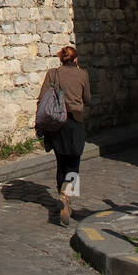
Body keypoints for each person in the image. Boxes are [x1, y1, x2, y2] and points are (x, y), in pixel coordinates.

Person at [37, 44, 91, 225]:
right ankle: (68, 197)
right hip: (75, 123)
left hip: (57, 124)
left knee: (61, 162)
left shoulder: (53, 74)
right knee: (74, 161)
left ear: (61, 59)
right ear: (75, 60)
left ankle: (63, 199)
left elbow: (42, 98)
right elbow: (88, 99)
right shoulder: (82, 74)